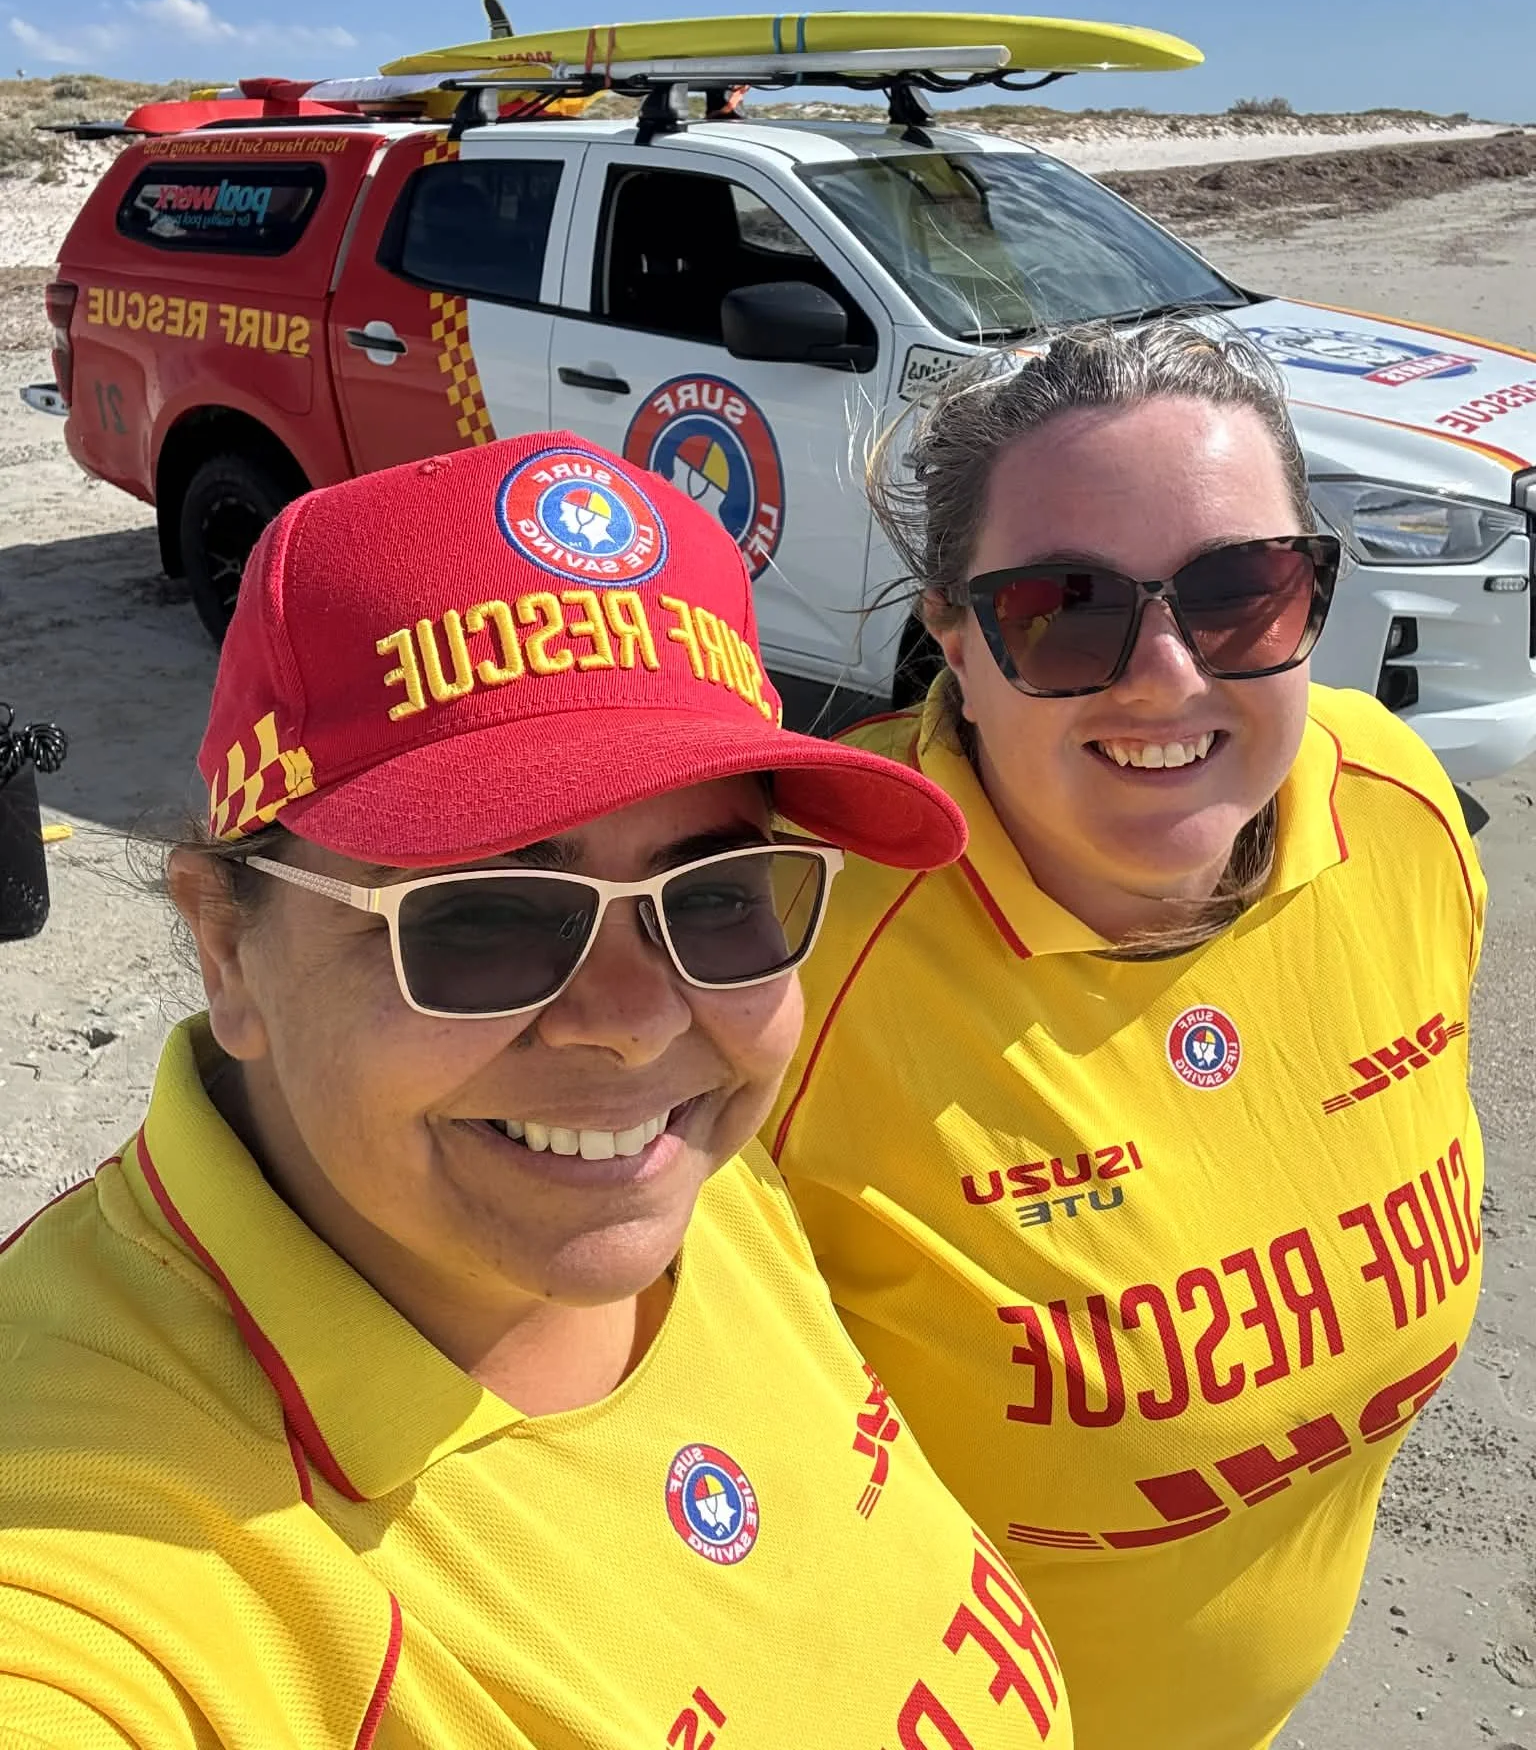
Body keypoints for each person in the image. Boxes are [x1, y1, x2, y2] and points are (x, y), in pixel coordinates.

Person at [0, 432, 1074, 1750]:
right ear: (230, 950)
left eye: (718, 898)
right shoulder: (92, 1534)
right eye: (486, 917)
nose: (636, 1024)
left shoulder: (679, 1179)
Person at [767, 324, 1485, 1750]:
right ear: (953, 638)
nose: (1164, 675)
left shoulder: (1395, 807)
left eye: (1241, 594)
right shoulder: (778, 963)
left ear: (1316, 599)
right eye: (1062, 609)